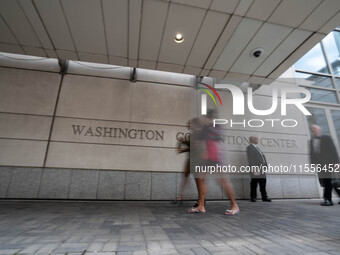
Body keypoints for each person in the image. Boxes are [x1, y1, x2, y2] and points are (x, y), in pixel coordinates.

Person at [189, 109, 239, 215]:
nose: (204, 119)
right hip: (207, 156)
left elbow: (216, 138)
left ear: (209, 117)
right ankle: (201, 205)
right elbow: (198, 140)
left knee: (222, 180)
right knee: (201, 178)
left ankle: (234, 205)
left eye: (206, 117)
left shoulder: (217, 126)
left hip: (217, 156)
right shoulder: (205, 127)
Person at [310, 124, 340, 206]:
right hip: (320, 165)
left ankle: (328, 200)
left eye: (314, 128)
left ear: (319, 130)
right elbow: (312, 153)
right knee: (328, 182)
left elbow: (333, 150)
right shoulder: (312, 140)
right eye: (312, 128)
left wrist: (337, 162)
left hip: (328, 163)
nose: (313, 129)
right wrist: (312, 164)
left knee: (327, 181)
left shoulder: (326, 138)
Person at [246, 136, 271, 202]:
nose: (257, 139)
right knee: (254, 183)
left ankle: (264, 197)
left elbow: (262, 158)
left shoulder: (257, 148)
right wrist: (253, 168)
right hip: (256, 168)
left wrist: (265, 166)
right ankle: (253, 197)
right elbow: (251, 158)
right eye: (256, 138)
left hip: (262, 168)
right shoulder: (250, 148)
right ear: (252, 140)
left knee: (263, 183)